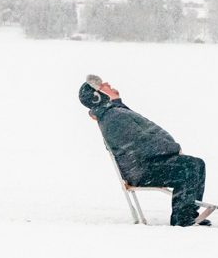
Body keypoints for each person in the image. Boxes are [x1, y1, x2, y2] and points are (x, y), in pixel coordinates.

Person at [79, 74, 209, 227]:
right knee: (190, 166)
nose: (107, 83)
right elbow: (142, 143)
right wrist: (174, 149)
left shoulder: (116, 112)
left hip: (145, 165)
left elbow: (147, 138)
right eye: (102, 86)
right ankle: (182, 218)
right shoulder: (113, 116)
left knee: (194, 164)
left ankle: (187, 213)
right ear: (98, 96)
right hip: (142, 170)